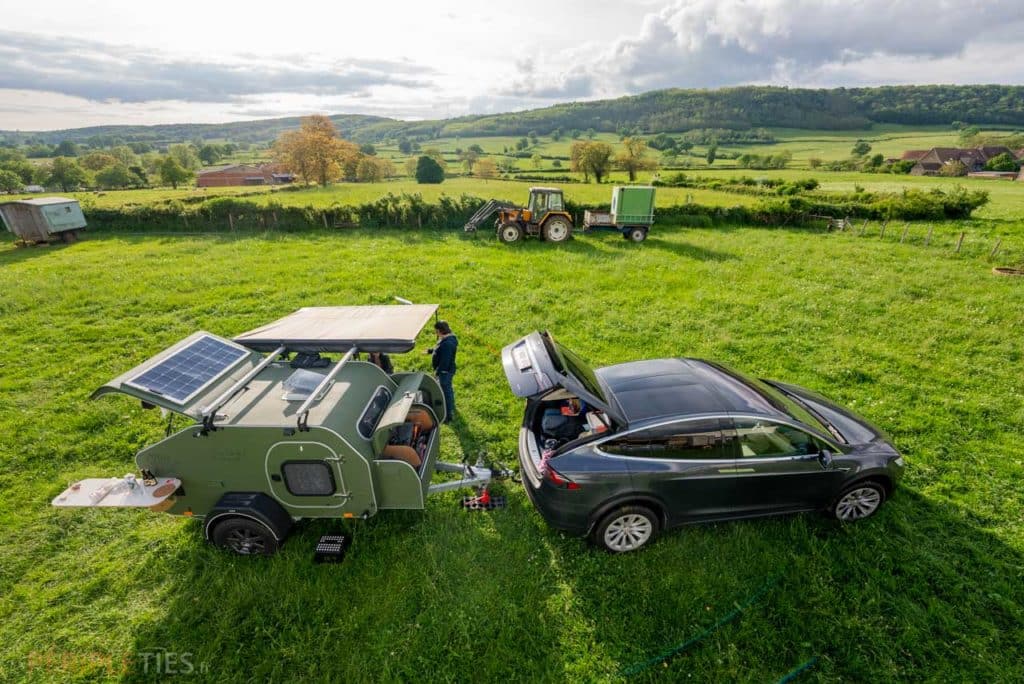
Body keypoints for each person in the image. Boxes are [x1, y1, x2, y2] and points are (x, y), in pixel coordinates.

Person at [427, 320, 458, 422]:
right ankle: (451, 408)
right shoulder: (447, 339)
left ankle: (448, 416)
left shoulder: (447, 344)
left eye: (436, 331)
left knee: (445, 392)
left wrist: (438, 372)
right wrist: (431, 351)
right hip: (446, 371)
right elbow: (440, 350)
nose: (436, 333)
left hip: (445, 372)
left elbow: (445, 361)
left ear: (440, 331)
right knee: (448, 390)